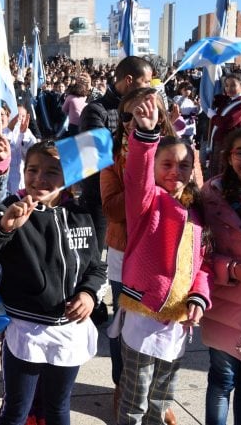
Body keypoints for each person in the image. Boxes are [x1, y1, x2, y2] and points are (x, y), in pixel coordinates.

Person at [0, 141, 107, 425]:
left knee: (57, 408)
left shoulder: (81, 214)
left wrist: (89, 294)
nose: (39, 178)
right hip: (25, 330)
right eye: (32, 169)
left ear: (68, 176)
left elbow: (96, 266)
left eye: (51, 171)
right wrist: (4, 226)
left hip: (69, 332)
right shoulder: (11, 206)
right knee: (16, 409)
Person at [113, 93, 211, 425]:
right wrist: (145, 133)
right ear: (155, 166)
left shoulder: (198, 209)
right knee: (134, 403)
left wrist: (199, 296)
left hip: (180, 321)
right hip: (144, 316)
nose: (175, 172)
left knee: (161, 401)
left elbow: (202, 264)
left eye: (184, 165)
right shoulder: (146, 201)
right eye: (166, 164)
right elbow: (137, 175)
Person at [101, 87, 179, 413]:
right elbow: (114, 209)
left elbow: (197, 206)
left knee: (169, 336)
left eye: (149, 113)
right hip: (126, 257)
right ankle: (125, 389)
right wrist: (140, 173)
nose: (141, 120)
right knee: (125, 334)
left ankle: (160, 402)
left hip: (170, 262)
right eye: (131, 116)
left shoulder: (180, 155)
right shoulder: (113, 157)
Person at [200, 126, 241, 425]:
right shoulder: (211, 194)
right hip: (226, 307)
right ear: (229, 156)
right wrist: (234, 270)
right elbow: (199, 253)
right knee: (222, 380)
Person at [79, 55, 153, 246]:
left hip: (137, 197)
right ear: (129, 80)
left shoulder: (148, 112)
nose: (148, 87)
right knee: (98, 257)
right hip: (102, 198)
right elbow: (92, 156)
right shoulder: (96, 110)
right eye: (145, 81)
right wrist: (136, 135)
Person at [207, 73, 241, 177]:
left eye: (233, 85)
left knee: (224, 171)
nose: (229, 88)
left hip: (230, 142)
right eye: (226, 86)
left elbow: (229, 122)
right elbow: (219, 100)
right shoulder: (229, 100)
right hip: (219, 140)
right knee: (215, 169)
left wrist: (213, 117)